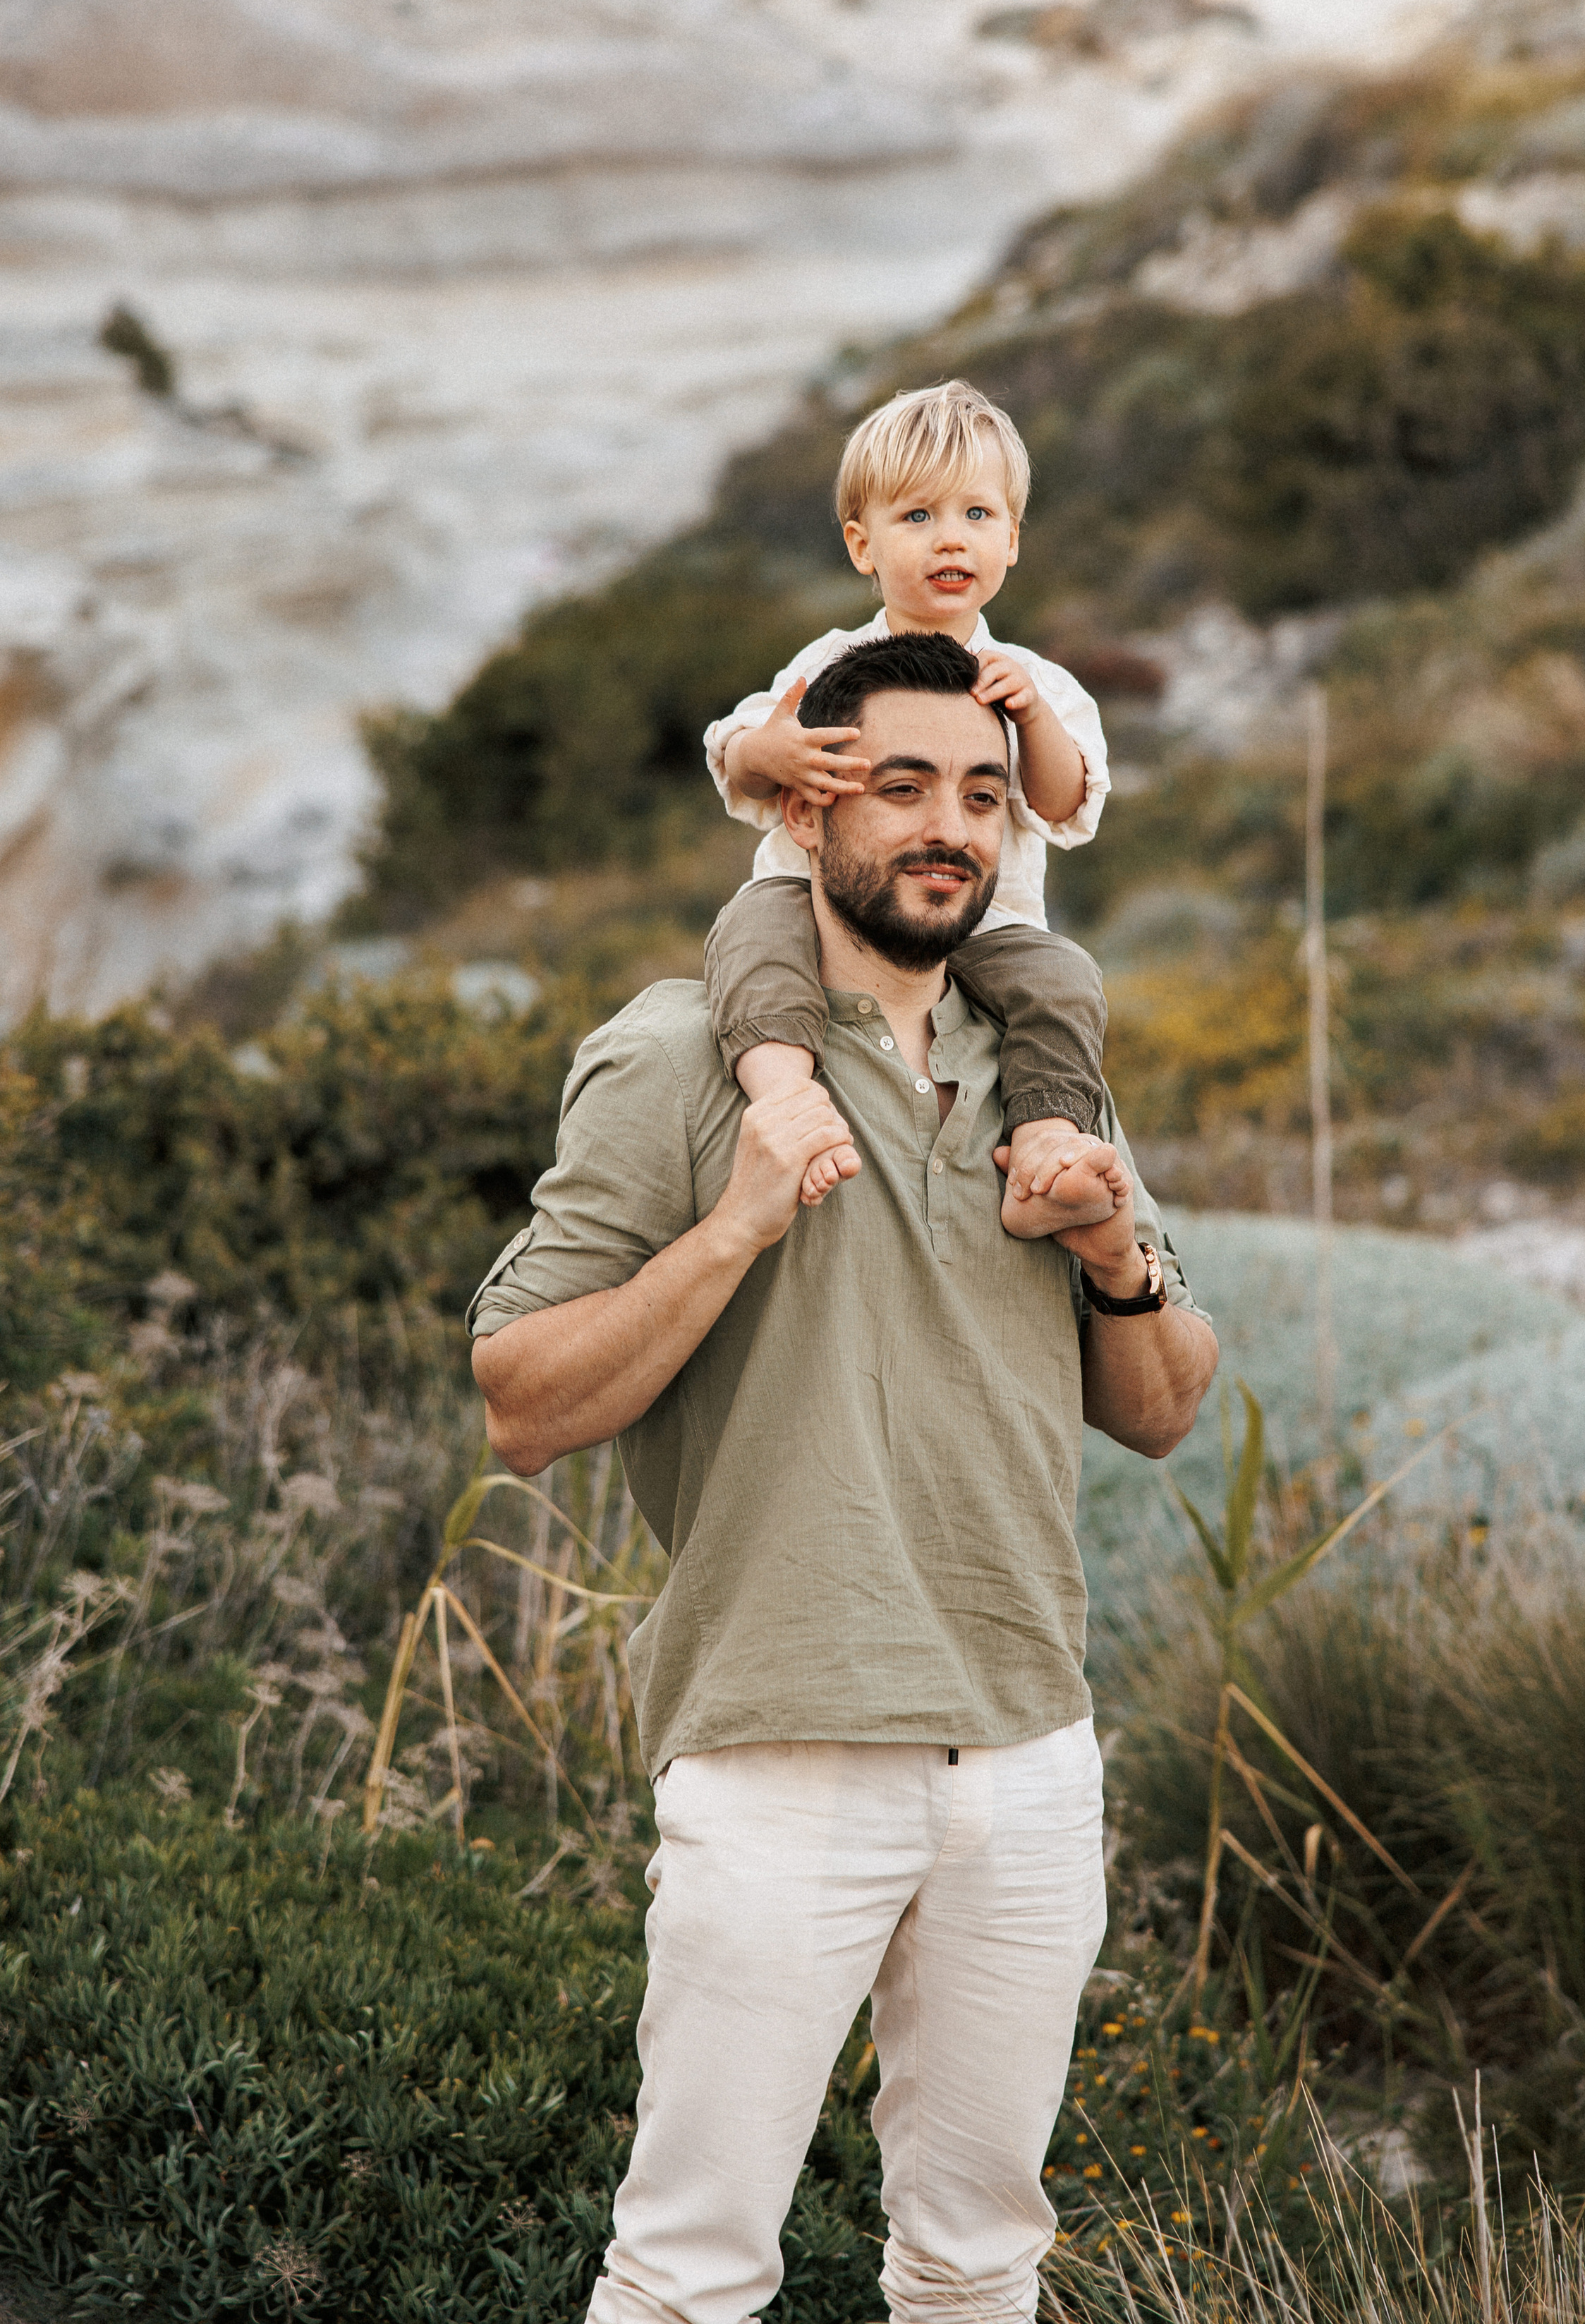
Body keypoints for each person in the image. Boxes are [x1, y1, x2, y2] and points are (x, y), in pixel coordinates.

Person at [470, 631, 1218, 2324]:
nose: (945, 826)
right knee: (687, 2275)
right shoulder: (682, 1056)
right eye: (897, 787)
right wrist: (738, 1216)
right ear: (806, 812)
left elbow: (1164, 1403)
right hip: (782, 1745)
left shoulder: (1047, 1071)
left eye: (974, 792)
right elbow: (518, 1399)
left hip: (1025, 1753)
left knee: (977, 2267)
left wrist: (1113, 1251)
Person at [703, 377, 1115, 1235]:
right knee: (749, 935)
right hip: (826, 907)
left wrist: (1028, 717)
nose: (949, 539)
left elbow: (1066, 802)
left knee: (1064, 982)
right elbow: (737, 749)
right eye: (917, 517)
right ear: (863, 545)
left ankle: (1044, 1146)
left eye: (976, 515)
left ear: (1012, 542)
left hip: (982, 918)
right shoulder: (829, 664)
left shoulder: (1036, 684)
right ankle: (787, 1101)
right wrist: (764, 752)